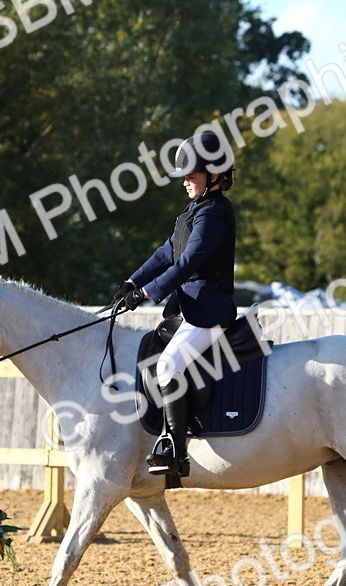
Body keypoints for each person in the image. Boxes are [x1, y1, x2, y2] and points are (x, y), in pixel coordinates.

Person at [112, 131, 238, 477]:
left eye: (192, 175)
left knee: (168, 365)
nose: (185, 181)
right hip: (187, 309)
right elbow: (166, 252)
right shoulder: (193, 211)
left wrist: (148, 293)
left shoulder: (214, 213)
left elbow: (189, 263)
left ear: (214, 175)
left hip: (208, 311)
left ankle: (175, 449)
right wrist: (132, 281)